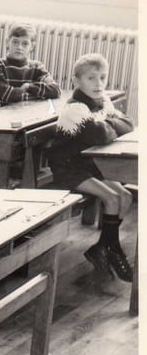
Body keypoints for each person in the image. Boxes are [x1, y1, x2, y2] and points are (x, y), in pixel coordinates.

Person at [48, 53, 134, 281]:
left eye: (102, 78)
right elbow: (100, 135)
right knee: (112, 198)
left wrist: (106, 124)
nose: (98, 84)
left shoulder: (102, 100)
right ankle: (113, 249)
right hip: (68, 167)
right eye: (91, 78)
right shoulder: (75, 108)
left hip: (89, 165)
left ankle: (104, 246)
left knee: (125, 196)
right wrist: (109, 125)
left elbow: (129, 124)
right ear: (77, 80)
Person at [0, 23, 61, 104]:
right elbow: (6, 95)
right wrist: (36, 96)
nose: (19, 47)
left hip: (28, 110)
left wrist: (29, 87)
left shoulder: (37, 67)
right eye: (15, 42)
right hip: (4, 111)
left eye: (25, 44)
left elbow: (56, 90)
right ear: (7, 42)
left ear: (32, 46)